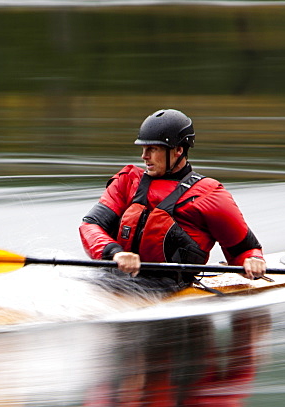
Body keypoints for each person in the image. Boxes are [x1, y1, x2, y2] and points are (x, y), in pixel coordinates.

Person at [79, 109, 266, 292]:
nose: (144, 156)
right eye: (144, 148)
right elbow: (90, 225)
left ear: (178, 150)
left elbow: (245, 249)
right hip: (111, 280)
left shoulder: (211, 195)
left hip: (167, 288)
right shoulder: (127, 182)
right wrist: (115, 253)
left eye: (152, 149)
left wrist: (253, 260)